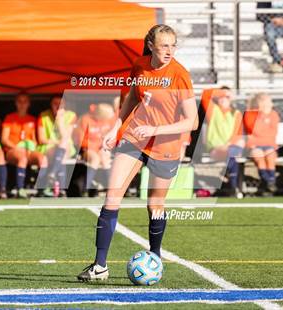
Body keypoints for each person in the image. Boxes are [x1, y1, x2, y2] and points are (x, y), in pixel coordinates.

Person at [77, 24, 198, 281]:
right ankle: (100, 266)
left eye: (173, 45)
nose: (169, 50)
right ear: (151, 45)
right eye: (164, 45)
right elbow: (132, 98)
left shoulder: (180, 75)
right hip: (134, 138)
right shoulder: (140, 65)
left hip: (166, 145)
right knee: (112, 196)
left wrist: (156, 128)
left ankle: (155, 256)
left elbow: (193, 122)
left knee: (155, 205)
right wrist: (116, 128)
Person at [1, 93, 46, 198]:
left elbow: (35, 140)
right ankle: (20, 189)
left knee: (42, 159)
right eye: (19, 101)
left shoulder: (32, 119)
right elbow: (4, 139)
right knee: (22, 158)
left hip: (28, 151)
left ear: (29, 104)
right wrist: (16, 148)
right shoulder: (10, 118)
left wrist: (31, 148)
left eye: (25, 101)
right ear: (15, 103)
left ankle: (42, 189)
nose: (22, 104)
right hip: (13, 150)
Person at [203, 87, 244, 197]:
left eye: (226, 97)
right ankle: (234, 187)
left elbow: (237, 133)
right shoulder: (213, 110)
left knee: (231, 153)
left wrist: (228, 144)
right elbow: (205, 94)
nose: (223, 98)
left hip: (231, 147)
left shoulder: (236, 113)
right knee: (232, 156)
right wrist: (223, 92)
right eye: (220, 96)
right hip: (216, 148)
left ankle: (232, 185)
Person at [36, 95, 77, 197]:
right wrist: (56, 144)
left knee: (62, 148)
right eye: (55, 103)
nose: (58, 106)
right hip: (48, 147)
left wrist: (60, 121)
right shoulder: (43, 115)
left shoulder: (71, 115)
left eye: (61, 103)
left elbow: (66, 137)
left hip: (66, 147)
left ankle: (51, 177)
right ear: (51, 105)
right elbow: (41, 139)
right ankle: (61, 188)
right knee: (59, 155)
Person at [75, 103, 116, 195]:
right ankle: (85, 188)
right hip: (87, 149)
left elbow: (111, 137)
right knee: (95, 159)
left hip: (101, 148)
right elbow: (80, 141)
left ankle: (111, 189)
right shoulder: (85, 119)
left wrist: (106, 145)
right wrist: (95, 147)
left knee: (105, 159)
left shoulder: (108, 120)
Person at [243, 93, 280, 195]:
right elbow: (254, 130)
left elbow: (273, 132)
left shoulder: (273, 114)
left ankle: (268, 183)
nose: (269, 104)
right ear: (259, 103)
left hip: (269, 144)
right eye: (265, 101)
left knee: (270, 155)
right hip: (254, 145)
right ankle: (270, 182)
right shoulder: (250, 114)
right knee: (259, 156)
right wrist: (262, 115)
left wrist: (260, 134)